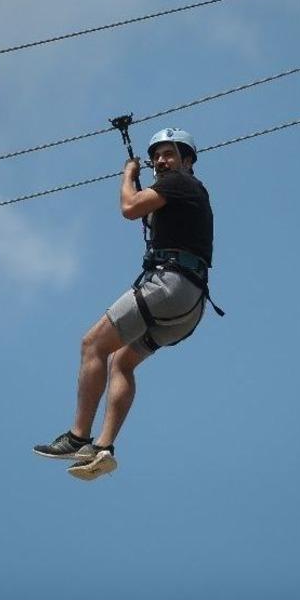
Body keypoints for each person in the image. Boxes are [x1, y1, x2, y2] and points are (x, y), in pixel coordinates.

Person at [34, 127, 217, 481]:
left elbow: (130, 208)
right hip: (188, 305)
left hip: (169, 285)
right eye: (157, 156)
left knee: (92, 345)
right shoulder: (186, 193)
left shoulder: (181, 183)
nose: (162, 161)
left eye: (170, 154)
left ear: (188, 160)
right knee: (121, 362)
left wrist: (127, 176)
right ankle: (102, 448)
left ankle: (77, 437)